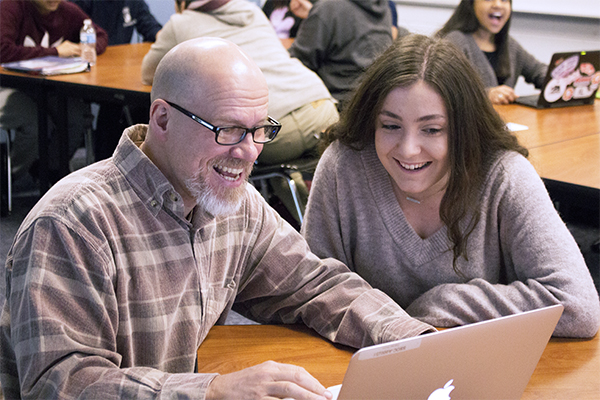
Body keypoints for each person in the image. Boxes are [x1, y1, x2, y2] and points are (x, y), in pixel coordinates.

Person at [0, 37, 435, 399]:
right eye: (227, 130)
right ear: (163, 119)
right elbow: (61, 384)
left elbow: (314, 286)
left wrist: (417, 342)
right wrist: (210, 392)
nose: (247, 151)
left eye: (260, 130)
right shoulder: (73, 224)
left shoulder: (232, 202)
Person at [301, 34, 600, 339]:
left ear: (463, 130)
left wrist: (441, 303)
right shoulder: (343, 165)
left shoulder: (505, 176)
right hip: (359, 359)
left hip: (479, 369)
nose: (408, 150)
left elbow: (578, 306)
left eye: (432, 129)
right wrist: (397, 327)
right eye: (390, 126)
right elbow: (311, 289)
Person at [141, 0, 339, 223]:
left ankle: (308, 227)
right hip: (321, 104)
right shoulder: (252, 12)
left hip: (281, 120)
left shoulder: (180, 23)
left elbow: (151, 72)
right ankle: (314, 226)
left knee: (243, 155)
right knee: (259, 156)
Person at [0, 0, 108, 184]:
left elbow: (99, 35)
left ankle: (49, 171)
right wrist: (56, 52)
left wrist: (84, 49)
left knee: (75, 117)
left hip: (43, 86)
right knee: (34, 124)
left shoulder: (66, 10)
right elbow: (3, 51)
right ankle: (7, 178)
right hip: (8, 85)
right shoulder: (10, 7)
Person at [70, 0, 163, 161]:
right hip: (90, 73)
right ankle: (106, 163)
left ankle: (142, 164)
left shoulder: (133, 2)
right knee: (113, 104)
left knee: (145, 103)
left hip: (120, 73)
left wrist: (166, 37)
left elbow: (150, 26)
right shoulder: (84, 3)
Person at [436, 0, 547, 105]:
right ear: (471, 4)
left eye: (504, 0)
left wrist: (559, 78)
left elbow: (537, 71)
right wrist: (486, 94)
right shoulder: (454, 41)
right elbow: (445, 91)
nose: (498, 4)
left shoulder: (509, 44)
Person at [287, 0, 393, 107]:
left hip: (334, 106)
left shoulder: (328, 8)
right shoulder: (382, 6)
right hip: (368, 107)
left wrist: (319, 14)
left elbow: (294, 66)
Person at [70, 0, 162, 45]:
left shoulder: (133, 2)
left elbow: (150, 26)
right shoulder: (82, 2)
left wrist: (163, 37)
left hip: (122, 63)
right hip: (93, 61)